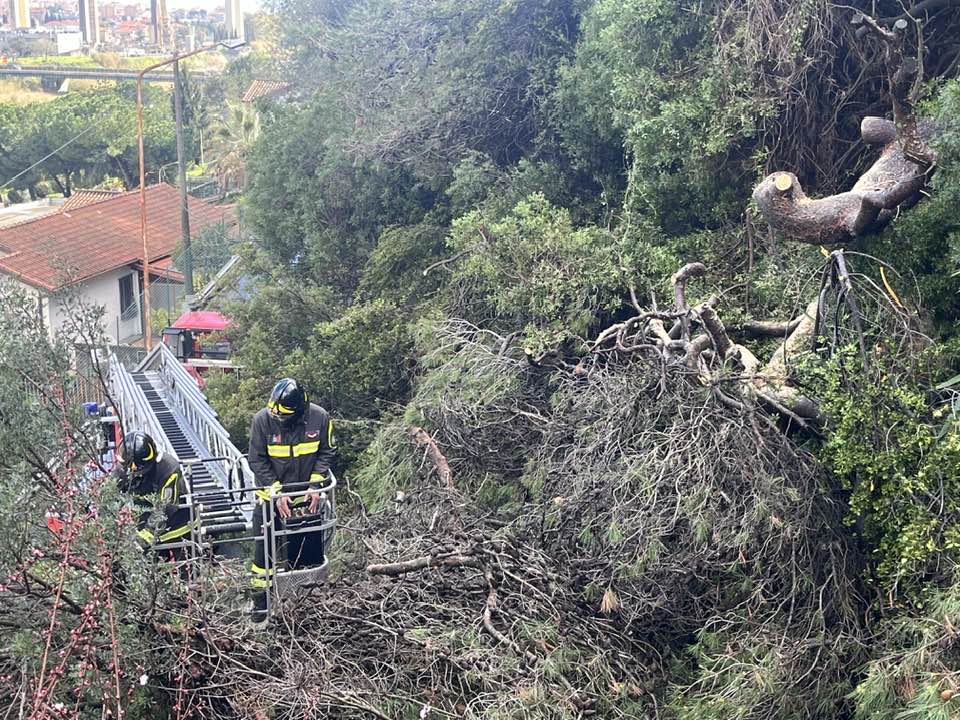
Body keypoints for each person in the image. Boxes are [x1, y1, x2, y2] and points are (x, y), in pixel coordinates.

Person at [247, 378, 336, 623]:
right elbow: (256, 460)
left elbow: (327, 451)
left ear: (298, 411)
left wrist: (315, 485)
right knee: (262, 557)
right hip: (270, 500)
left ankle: (305, 607)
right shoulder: (262, 421)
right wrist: (275, 491)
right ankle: (260, 608)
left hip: (306, 501)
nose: (277, 418)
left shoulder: (319, 418)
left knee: (305, 556)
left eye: (283, 415)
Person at [116, 431, 193, 554]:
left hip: (178, 528)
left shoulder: (168, 468)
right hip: (147, 531)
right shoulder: (123, 468)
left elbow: (166, 506)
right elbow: (109, 495)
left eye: (141, 471)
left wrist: (145, 536)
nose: (136, 474)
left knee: (187, 564)